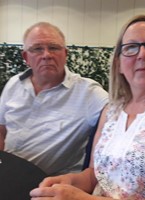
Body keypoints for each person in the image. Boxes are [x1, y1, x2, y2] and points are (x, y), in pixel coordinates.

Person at [30, 15, 145, 200]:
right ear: (118, 63)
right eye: (131, 47)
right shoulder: (111, 110)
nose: (143, 54)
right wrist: (69, 181)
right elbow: (95, 175)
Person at [0, 22, 108, 176]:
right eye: (37, 49)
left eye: (54, 48)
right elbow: (1, 130)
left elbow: (124, 114)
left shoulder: (88, 94)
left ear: (65, 54)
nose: (46, 55)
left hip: (49, 186)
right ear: (26, 57)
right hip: (7, 175)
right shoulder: (14, 84)